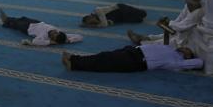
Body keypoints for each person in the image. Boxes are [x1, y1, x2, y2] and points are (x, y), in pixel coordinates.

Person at [128, 0, 204, 51]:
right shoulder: (188, 5)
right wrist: (168, 23)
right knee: (165, 35)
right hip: (182, 33)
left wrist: (169, 23)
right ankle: (144, 37)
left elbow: (182, 27)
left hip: (188, 38)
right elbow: (179, 19)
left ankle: (141, 42)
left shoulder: (197, 12)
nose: (187, 6)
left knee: (165, 42)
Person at [62, 42, 202, 73]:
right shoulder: (170, 47)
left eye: (187, 49)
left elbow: (199, 62)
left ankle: (74, 64)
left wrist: (188, 60)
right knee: (104, 55)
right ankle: (75, 59)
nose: (184, 47)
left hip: (136, 61)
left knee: (105, 61)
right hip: (132, 51)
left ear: (187, 56)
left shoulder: (176, 62)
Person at [0, 9, 82, 46]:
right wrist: (68, 40)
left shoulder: (44, 37)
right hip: (36, 22)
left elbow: (35, 41)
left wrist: (50, 43)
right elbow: (79, 37)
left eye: (53, 36)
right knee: (22, 18)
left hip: (27, 29)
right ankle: (7, 20)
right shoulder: (62, 34)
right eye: (56, 33)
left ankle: (6, 20)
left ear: (52, 39)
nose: (53, 33)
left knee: (15, 24)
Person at [80, 3, 147, 27]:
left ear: (90, 16)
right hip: (122, 18)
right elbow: (108, 23)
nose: (93, 22)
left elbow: (104, 25)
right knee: (139, 20)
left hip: (122, 8)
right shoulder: (100, 20)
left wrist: (88, 26)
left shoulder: (98, 10)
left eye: (91, 20)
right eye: (92, 23)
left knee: (143, 14)